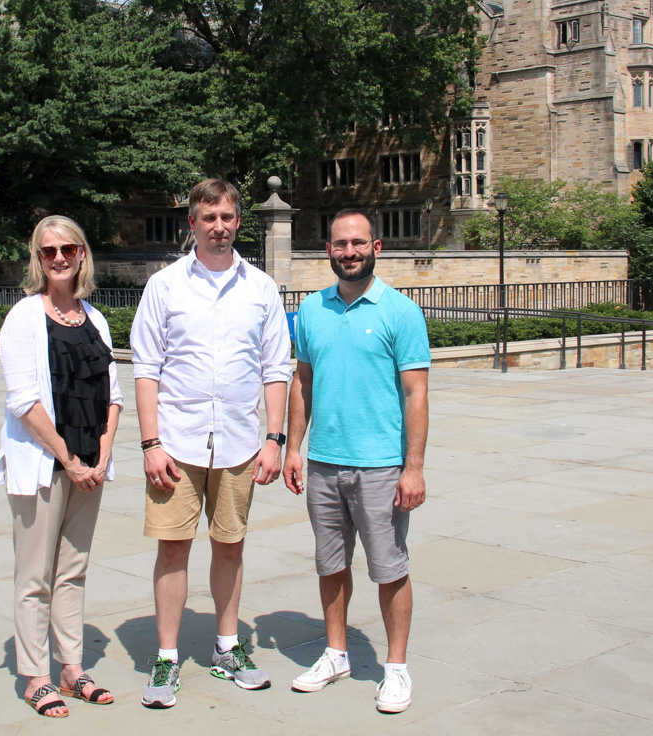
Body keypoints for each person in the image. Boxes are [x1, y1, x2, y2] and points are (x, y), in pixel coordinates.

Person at [130, 178, 292, 709]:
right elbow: (146, 368)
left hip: (242, 443)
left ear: (237, 221)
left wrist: (274, 438)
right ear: (192, 223)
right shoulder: (165, 286)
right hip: (176, 443)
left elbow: (276, 368)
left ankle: (227, 648)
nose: (218, 227)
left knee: (231, 544)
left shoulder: (260, 288)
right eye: (208, 218)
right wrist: (150, 442)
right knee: (173, 548)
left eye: (226, 217)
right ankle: (168, 658)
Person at [283, 208, 430, 713]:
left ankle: (395, 668)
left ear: (377, 247)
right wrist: (293, 449)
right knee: (330, 564)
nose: (349, 252)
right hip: (324, 461)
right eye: (340, 244)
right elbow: (302, 382)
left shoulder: (400, 312)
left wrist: (413, 467)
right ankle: (336, 653)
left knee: (389, 568)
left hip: (382, 466)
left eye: (358, 243)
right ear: (328, 250)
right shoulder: (311, 310)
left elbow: (416, 395)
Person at [0, 215, 123, 718]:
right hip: (44, 465)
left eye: (69, 248)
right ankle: (35, 675)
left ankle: (72, 669)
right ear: (38, 258)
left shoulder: (94, 316)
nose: (60, 257)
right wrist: (69, 458)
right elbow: (24, 401)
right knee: (34, 576)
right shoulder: (24, 317)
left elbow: (112, 395)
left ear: (83, 253)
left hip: (90, 465)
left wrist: (103, 455)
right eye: (49, 251)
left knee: (73, 571)